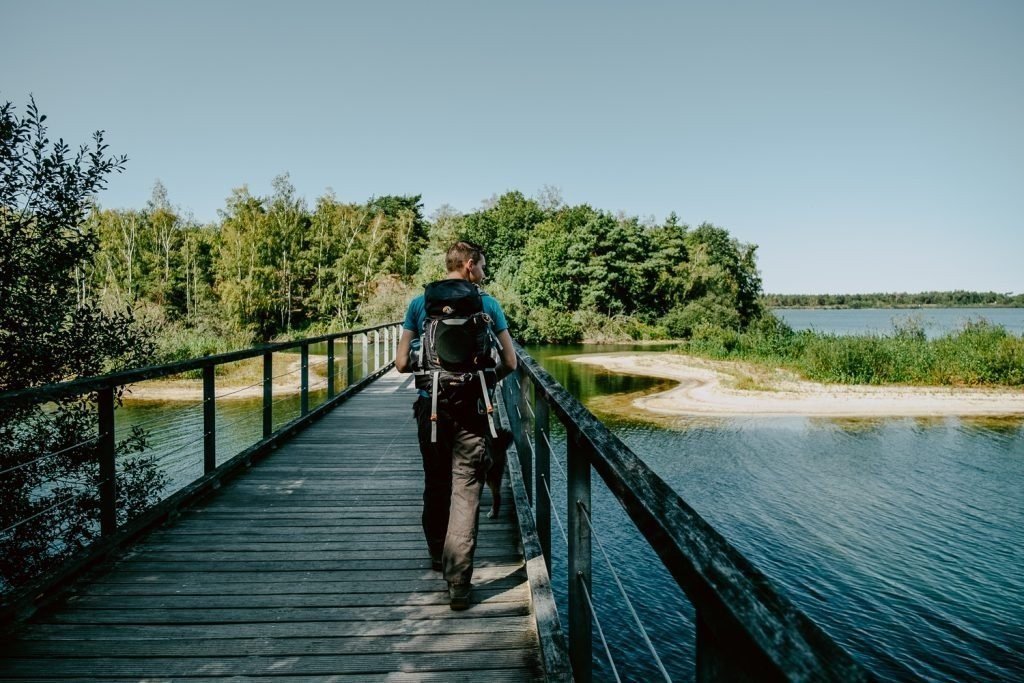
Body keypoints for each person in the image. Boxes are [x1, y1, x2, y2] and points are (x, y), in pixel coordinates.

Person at [395, 241, 516, 610]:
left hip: (430, 409)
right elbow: (510, 362)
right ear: (467, 266)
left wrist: (431, 374)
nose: (483, 272)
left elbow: (401, 364)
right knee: (466, 491)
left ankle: (437, 554)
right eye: (481, 266)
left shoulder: (420, 304)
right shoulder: (487, 304)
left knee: (436, 482)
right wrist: (481, 379)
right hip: (472, 412)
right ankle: (459, 583)